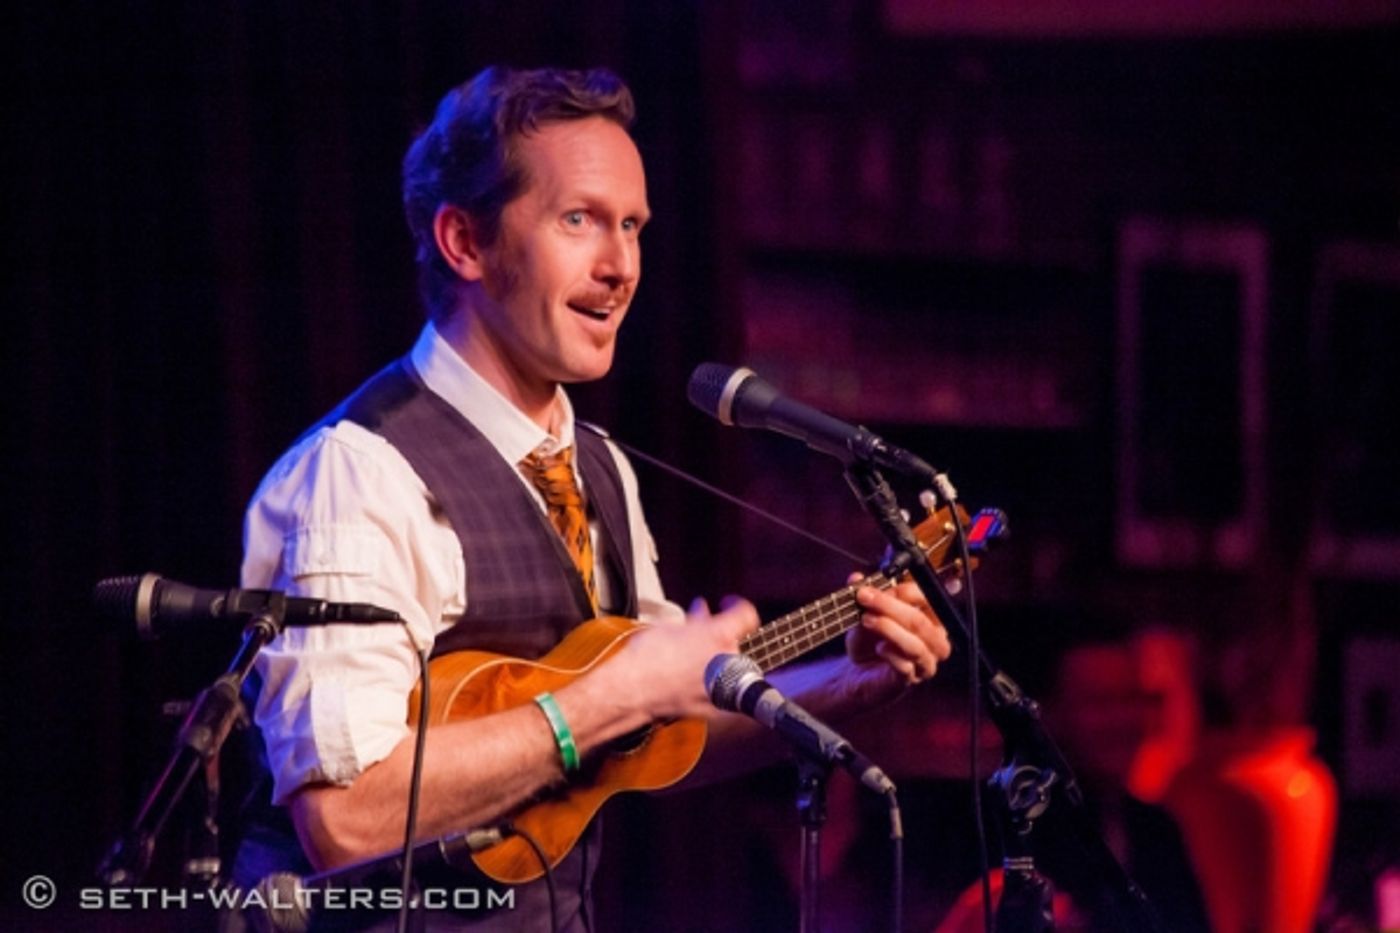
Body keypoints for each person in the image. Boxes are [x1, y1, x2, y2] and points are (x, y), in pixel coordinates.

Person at [229, 65, 950, 931]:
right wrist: (614, 694)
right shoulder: (359, 473)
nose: (621, 268)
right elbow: (347, 821)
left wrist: (851, 683)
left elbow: (656, 730)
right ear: (464, 241)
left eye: (634, 228)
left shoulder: (599, 466)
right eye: (580, 221)